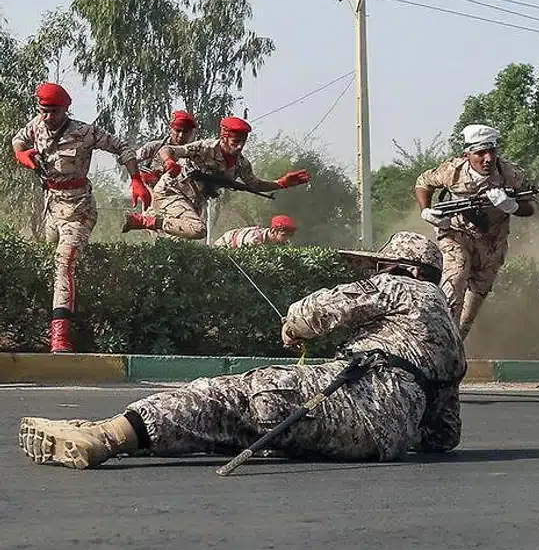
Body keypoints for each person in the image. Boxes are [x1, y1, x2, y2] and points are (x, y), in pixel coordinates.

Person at [18, 232, 467, 470]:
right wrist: (396, 429)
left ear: (401, 268)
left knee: (224, 398)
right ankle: (115, 432)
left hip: (354, 399)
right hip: (379, 443)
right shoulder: (451, 336)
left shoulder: (401, 287)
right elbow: (444, 435)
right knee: (235, 426)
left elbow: (319, 310)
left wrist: (293, 325)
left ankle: (108, 436)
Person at [11, 82, 149, 352]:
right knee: (48, 260)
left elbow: (123, 148)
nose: (48, 117)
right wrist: (22, 155)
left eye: (54, 111)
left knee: (64, 262)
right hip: (51, 207)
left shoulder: (85, 132)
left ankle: (60, 337)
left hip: (78, 210)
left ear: (66, 109)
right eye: (44, 110)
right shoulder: (37, 124)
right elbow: (18, 140)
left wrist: (136, 180)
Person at [414, 123, 537, 337]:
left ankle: (454, 346)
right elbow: (423, 182)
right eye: (480, 153)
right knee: (455, 280)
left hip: (492, 243)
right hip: (456, 234)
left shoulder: (511, 173)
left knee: (469, 312)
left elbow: (532, 205)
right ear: (467, 154)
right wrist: (426, 211)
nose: (488, 158)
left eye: (492, 151)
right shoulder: (452, 171)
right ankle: (439, 338)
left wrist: (512, 206)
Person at [122, 116, 310, 241]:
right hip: (172, 191)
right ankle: (145, 220)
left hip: (194, 202)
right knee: (198, 230)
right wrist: (169, 161)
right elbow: (167, 149)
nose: (239, 147)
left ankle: (147, 222)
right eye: (235, 142)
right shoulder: (205, 148)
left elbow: (255, 184)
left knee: (178, 243)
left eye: (243, 142)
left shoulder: (241, 164)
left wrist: (281, 183)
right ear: (224, 137)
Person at [212, 215, 299, 247]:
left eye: (290, 235)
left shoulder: (284, 243)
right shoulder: (253, 240)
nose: (287, 238)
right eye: (284, 235)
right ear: (273, 231)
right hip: (226, 243)